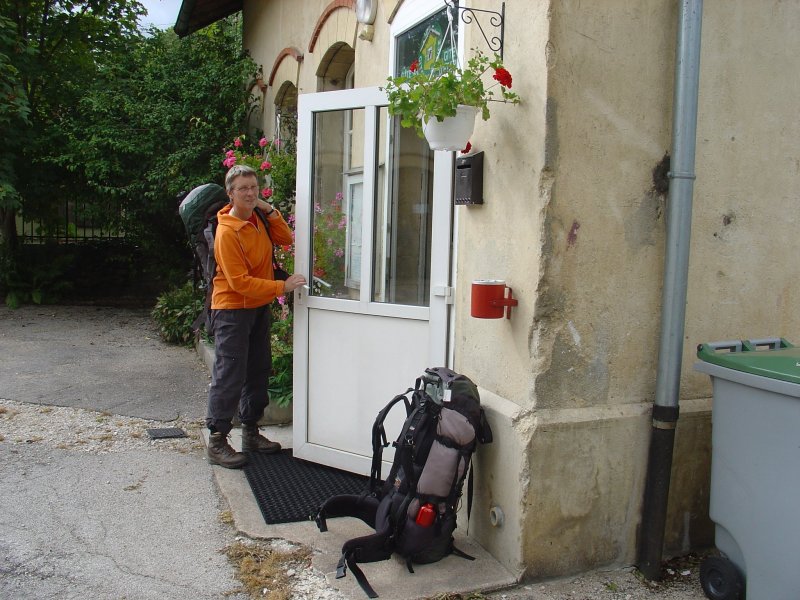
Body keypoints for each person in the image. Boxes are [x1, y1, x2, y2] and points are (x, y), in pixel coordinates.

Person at [206, 164, 307, 469]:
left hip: (257, 306)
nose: (249, 193)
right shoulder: (227, 232)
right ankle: (217, 441)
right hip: (232, 310)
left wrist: (267, 209)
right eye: (243, 189)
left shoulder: (258, 218)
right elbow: (239, 283)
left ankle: (250, 432)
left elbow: (285, 237)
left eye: (253, 187)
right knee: (230, 374)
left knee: (258, 370)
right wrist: (281, 287)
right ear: (230, 193)